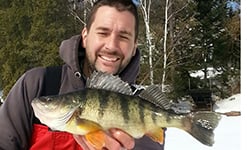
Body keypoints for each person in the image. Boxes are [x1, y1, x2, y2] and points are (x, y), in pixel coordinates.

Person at [0, 0, 165, 149]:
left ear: (134, 45)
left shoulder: (145, 108)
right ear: (85, 37)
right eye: (103, 33)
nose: (111, 45)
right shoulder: (37, 84)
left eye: (123, 37)